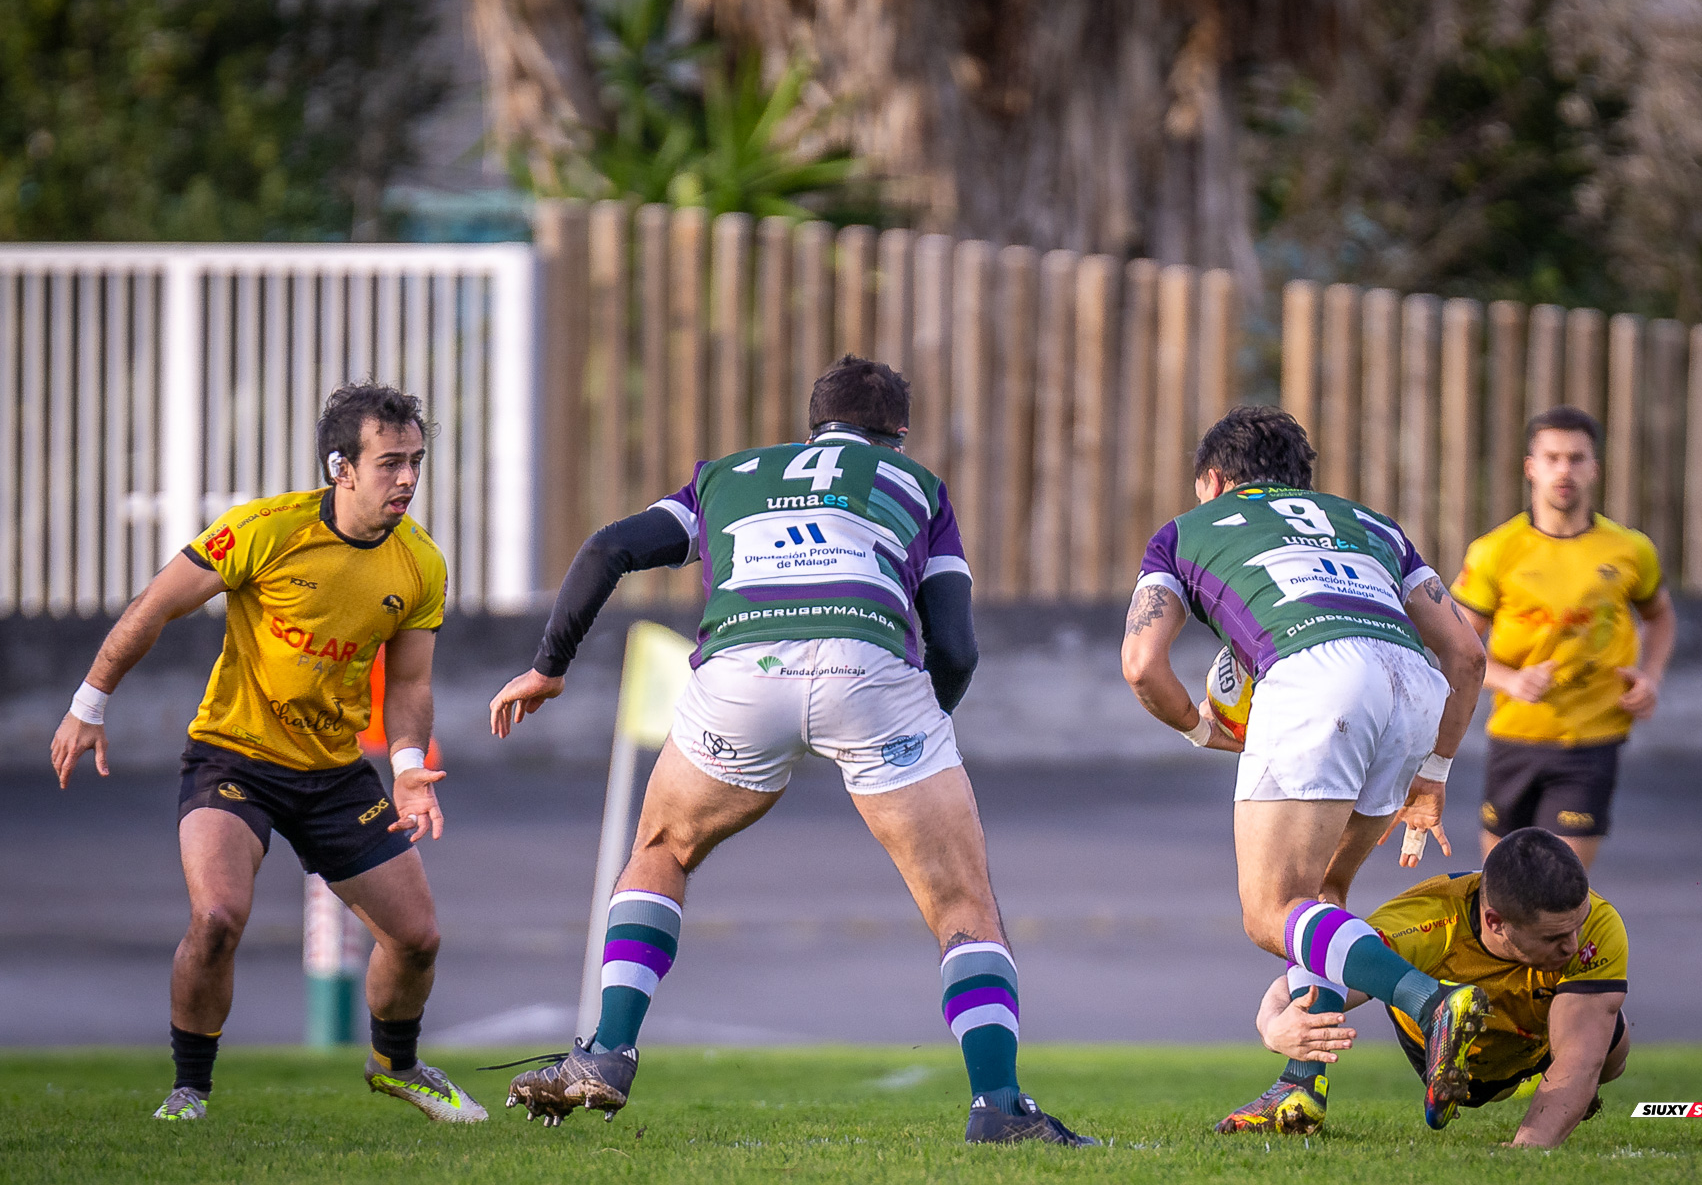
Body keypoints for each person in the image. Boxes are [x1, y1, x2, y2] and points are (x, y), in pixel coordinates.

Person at [486, 355, 1093, 1146]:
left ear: (811, 427)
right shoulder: (918, 488)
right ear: (896, 438)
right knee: (963, 905)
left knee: (662, 847)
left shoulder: (727, 475)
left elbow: (608, 549)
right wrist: (916, 735)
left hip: (742, 671)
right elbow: (957, 646)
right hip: (870, 670)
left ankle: (606, 1050)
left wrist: (548, 666)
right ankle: (999, 1105)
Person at [49, 384, 483, 1124]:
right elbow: (156, 603)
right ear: (341, 466)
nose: (407, 479)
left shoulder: (421, 564)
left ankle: (397, 1066)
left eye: (415, 461)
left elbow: (409, 685)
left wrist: (409, 771)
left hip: (335, 773)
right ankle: (189, 1089)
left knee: (417, 938)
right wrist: (89, 701)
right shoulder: (265, 529)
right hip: (233, 758)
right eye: (389, 463)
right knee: (217, 915)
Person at [1119, 406, 1489, 1136]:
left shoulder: (1188, 530)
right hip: (1411, 681)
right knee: (1321, 895)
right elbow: (1468, 654)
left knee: (1268, 911)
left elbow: (1141, 664)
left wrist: (1202, 729)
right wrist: (1435, 772)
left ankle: (1428, 1001)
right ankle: (1301, 1087)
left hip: (1314, 676)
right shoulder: (1372, 524)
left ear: (1215, 480)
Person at [1253, 827, 1630, 1148]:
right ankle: (1442, 1027)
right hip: (1474, 1061)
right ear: (1495, 922)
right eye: (1555, 937)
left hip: (1543, 1030)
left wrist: (1527, 1149)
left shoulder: (1599, 922)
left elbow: (1580, 1058)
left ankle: (1567, 1087)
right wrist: (1273, 1027)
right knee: (1495, 1090)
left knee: (1610, 1055)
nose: (1574, 944)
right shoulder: (1424, 922)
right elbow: (1311, 976)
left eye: (1577, 926)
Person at [1452, 406, 1675, 868]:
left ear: (1594, 469)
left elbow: (1661, 616)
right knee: (1500, 890)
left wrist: (1652, 677)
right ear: (1531, 468)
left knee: (1560, 891)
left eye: (1576, 458)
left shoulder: (1629, 549)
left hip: (1591, 742)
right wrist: (1510, 681)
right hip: (1515, 737)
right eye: (1552, 458)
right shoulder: (1495, 551)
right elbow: (1456, 646)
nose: (1564, 470)